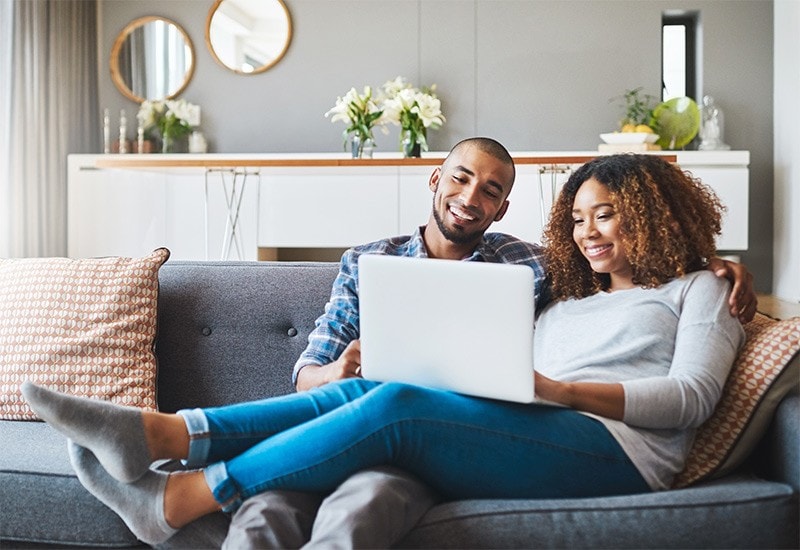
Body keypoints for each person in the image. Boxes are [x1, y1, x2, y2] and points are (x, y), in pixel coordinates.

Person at [22, 145, 753, 547]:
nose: (591, 232)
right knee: (379, 388)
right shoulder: (566, 286)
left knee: (399, 402)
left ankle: (184, 493)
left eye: (611, 217)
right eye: (582, 218)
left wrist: (562, 391)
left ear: (654, 218)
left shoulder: (701, 291)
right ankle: (171, 431)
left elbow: (691, 399)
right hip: (534, 430)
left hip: (620, 454)